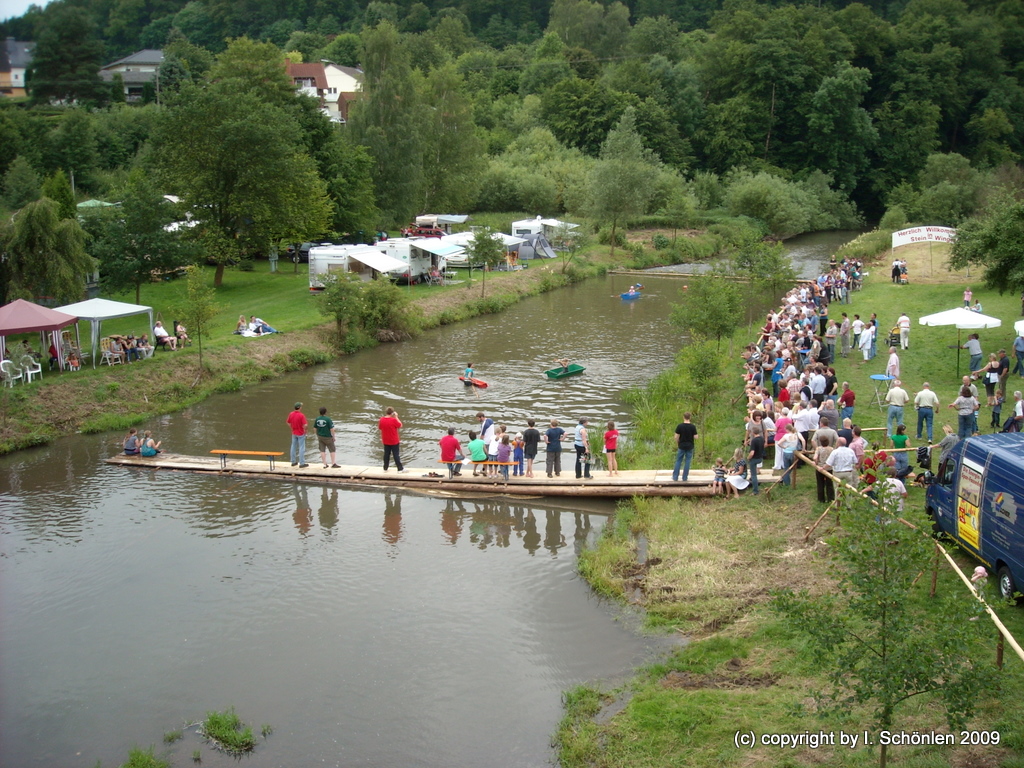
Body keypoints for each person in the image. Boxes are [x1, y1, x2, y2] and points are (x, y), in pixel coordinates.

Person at [672, 412, 698, 482]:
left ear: (683, 417)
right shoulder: (693, 427)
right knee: (687, 461)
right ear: (690, 418)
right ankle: (685, 477)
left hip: (681, 445)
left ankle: (675, 477)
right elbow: (696, 437)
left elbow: (676, 437)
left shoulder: (680, 426)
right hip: (690, 446)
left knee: (679, 460)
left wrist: (678, 442)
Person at [378, 406, 405, 472]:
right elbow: (400, 425)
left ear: (386, 412)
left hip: (385, 440)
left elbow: (380, 428)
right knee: (396, 454)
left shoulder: (381, 419)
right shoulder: (393, 420)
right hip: (394, 440)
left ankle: (385, 468)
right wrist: (396, 417)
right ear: (392, 413)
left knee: (386, 454)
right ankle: (400, 468)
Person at [813, 434, 835, 503]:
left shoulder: (818, 449)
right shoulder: (831, 449)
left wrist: (816, 462)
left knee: (820, 484)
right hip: (829, 468)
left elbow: (815, 457)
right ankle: (830, 498)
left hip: (820, 468)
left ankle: (821, 499)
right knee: (830, 484)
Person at [287, 402, 309, 468]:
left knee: (293, 446)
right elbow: (305, 425)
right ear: (299, 407)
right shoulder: (301, 415)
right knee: (301, 447)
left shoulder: (291, 414)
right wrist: (305, 430)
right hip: (301, 433)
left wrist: (292, 427)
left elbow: (288, 422)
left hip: (294, 432)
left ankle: (293, 461)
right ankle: (302, 463)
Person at [747, 425, 765, 496]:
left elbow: (752, 453)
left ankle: (755, 491)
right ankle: (753, 482)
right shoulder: (762, 438)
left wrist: (748, 457)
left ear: (753, 433)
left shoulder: (754, 440)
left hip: (754, 458)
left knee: (754, 475)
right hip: (760, 457)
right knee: (754, 474)